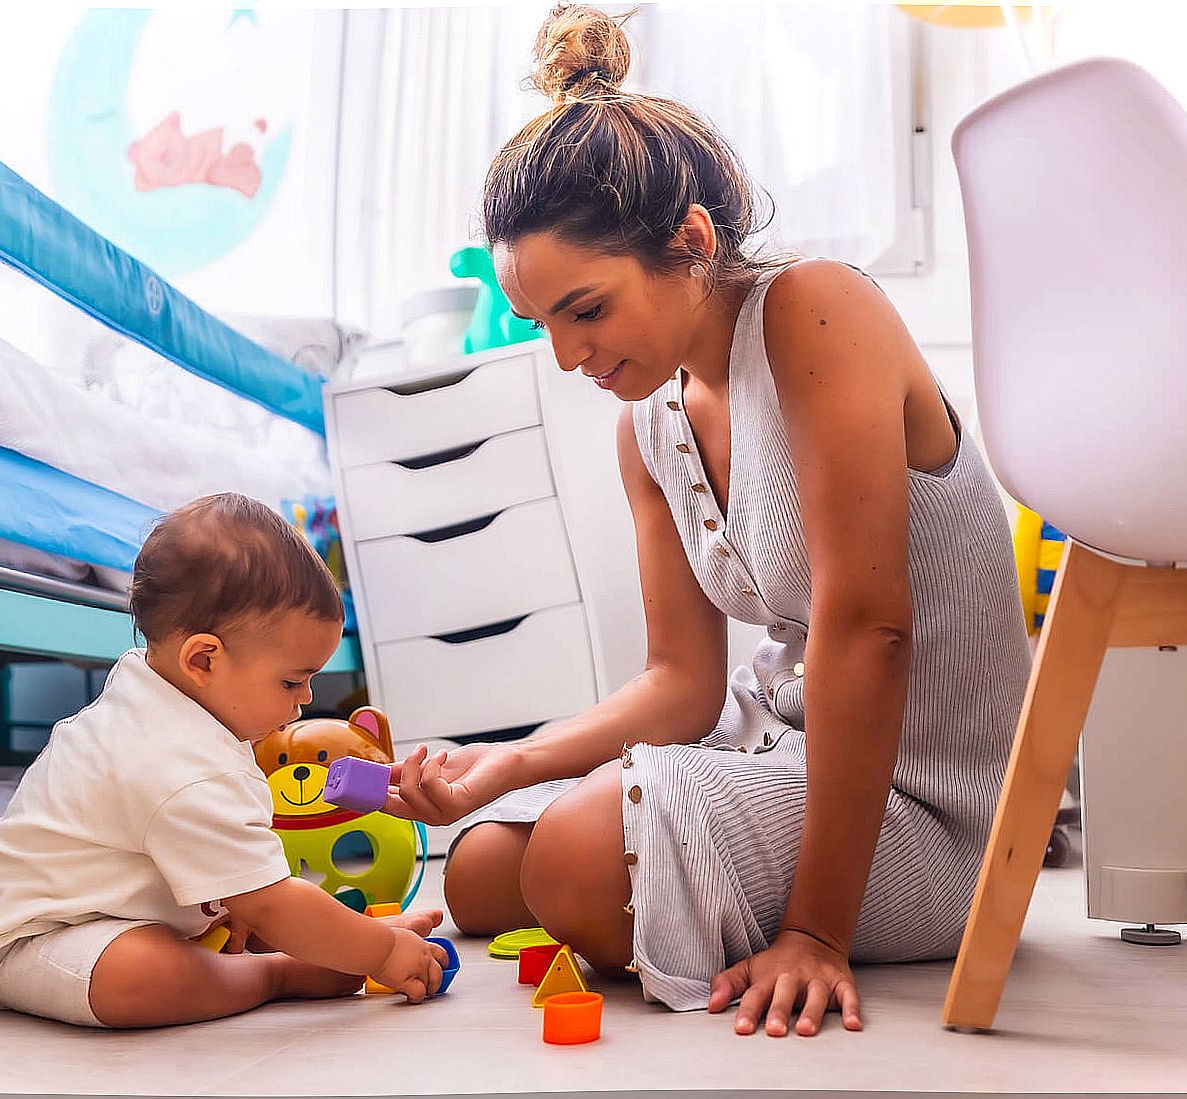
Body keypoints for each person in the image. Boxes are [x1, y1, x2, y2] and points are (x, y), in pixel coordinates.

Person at [387, 4, 1031, 1039]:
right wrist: (506, 761)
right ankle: (605, 851)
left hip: (922, 804)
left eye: (586, 310)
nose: (566, 356)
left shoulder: (817, 309)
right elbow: (679, 686)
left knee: (569, 859)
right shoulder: (648, 420)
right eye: (542, 322)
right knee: (482, 870)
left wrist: (815, 932)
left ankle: (776, 897)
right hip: (780, 749)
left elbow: (870, 626)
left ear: (689, 242)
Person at [0, 493, 446, 1028]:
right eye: (292, 681)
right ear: (203, 659)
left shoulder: (162, 697)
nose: (305, 700)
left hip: (122, 914)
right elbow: (271, 900)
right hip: (33, 939)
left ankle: (300, 947)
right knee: (141, 975)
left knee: (242, 907)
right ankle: (275, 975)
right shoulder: (176, 763)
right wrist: (382, 953)